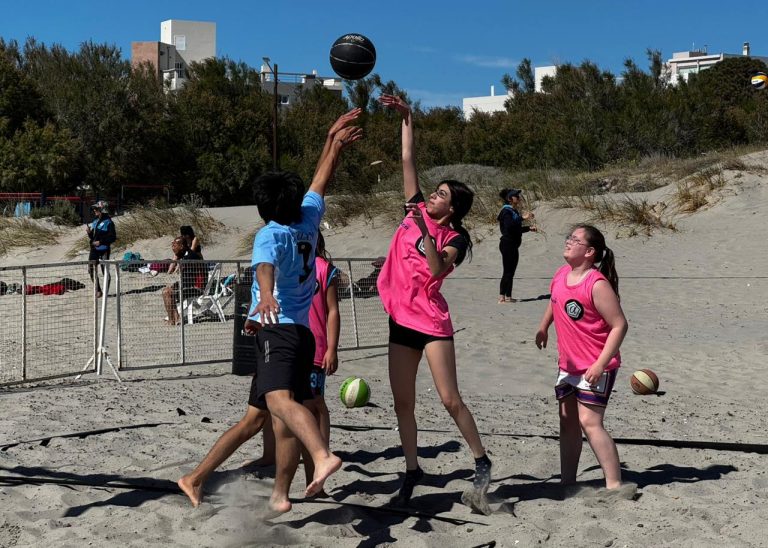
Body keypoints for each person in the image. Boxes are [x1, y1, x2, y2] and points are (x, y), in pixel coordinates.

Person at [177, 108, 362, 512]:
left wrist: (263, 295)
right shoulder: (308, 217)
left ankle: (300, 473)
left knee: (276, 412)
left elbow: (263, 267)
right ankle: (202, 479)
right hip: (291, 332)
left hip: (280, 331)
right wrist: (333, 142)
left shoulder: (270, 233)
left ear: (263, 209)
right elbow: (322, 177)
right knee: (268, 416)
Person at [376, 94, 493, 514]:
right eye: (434, 191)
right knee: (402, 403)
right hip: (400, 319)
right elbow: (407, 159)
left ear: (452, 207)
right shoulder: (414, 209)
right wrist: (407, 117)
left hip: (431, 322)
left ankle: (481, 460)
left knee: (449, 398)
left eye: (440, 195)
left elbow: (436, 267)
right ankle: (412, 470)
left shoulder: (455, 237)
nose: (431, 196)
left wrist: (426, 230)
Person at [535, 224, 629, 491]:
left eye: (575, 240)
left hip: (595, 365)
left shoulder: (596, 284)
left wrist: (600, 364)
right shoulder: (561, 274)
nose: (568, 242)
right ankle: (567, 483)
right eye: (568, 237)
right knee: (567, 423)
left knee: (590, 422)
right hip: (568, 365)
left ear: (589, 252)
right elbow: (555, 300)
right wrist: (544, 326)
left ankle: (614, 485)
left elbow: (620, 325)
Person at [497, 188, 536, 303]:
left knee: (511, 272)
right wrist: (522, 218)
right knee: (507, 271)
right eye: (516, 196)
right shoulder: (506, 211)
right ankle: (501, 297)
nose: (519, 198)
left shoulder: (514, 211)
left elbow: (516, 228)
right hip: (507, 244)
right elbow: (509, 226)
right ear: (510, 199)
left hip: (513, 244)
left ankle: (508, 296)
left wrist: (529, 228)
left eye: (519, 196)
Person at [162, 236, 204, 325]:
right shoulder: (187, 255)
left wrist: (175, 287)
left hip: (196, 288)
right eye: (172, 245)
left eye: (174, 245)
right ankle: (176, 317)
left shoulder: (189, 257)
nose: (173, 248)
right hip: (193, 285)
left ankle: (172, 320)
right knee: (168, 290)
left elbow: (188, 280)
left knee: (166, 292)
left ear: (181, 246)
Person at [85, 200, 116, 298]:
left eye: (97, 209)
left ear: (103, 210)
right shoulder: (95, 221)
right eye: (94, 208)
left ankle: (105, 292)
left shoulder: (109, 222)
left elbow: (112, 237)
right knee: (91, 269)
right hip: (94, 249)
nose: (94, 210)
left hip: (104, 249)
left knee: (105, 271)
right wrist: (89, 233)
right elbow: (93, 237)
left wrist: (101, 242)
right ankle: (98, 290)